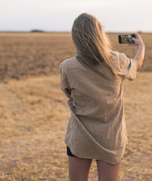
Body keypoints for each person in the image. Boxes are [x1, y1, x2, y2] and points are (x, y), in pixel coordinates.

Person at [59, 13, 145, 181]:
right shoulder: (117, 61)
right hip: (110, 138)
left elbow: (68, 93)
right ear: (100, 34)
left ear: (75, 37)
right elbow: (137, 65)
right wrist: (141, 46)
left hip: (80, 137)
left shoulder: (67, 67)